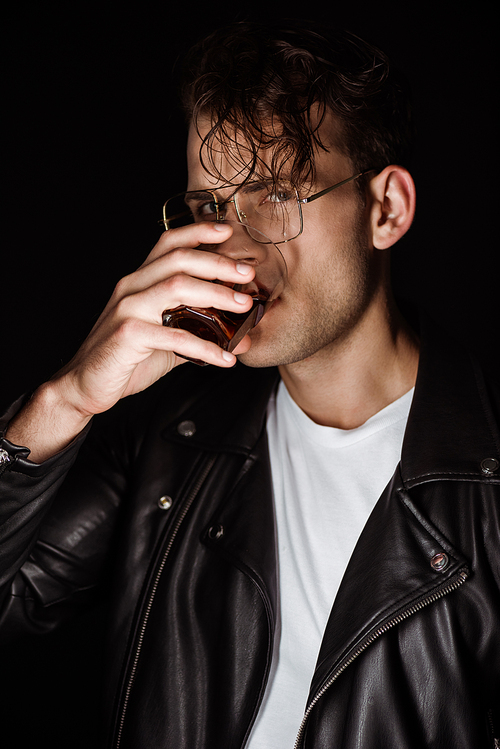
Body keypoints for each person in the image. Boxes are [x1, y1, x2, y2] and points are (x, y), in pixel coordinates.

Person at [1, 20, 499, 749]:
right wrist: (67, 399)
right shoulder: (171, 439)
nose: (232, 244)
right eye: (210, 206)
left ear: (385, 209)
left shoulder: (485, 483)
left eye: (273, 193)